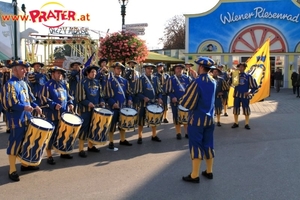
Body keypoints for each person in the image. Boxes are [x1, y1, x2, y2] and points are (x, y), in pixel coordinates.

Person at [1, 60, 42, 182]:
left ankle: (25, 164)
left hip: (27, 118)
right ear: (15, 70)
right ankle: (12, 169)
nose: (25, 71)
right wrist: (24, 107)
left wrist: (36, 106)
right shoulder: (9, 84)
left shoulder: (24, 83)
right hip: (16, 120)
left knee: (26, 141)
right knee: (15, 143)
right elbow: (9, 104)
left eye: (26, 68)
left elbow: (31, 99)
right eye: (22, 68)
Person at [180, 57, 216, 184]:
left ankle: (195, 175)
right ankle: (209, 171)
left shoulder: (196, 82)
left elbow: (187, 102)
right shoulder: (213, 81)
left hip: (197, 119)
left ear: (200, 67)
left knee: (196, 146)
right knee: (209, 144)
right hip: (210, 119)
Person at [40, 66, 74, 165]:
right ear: (52, 74)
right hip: (52, 115)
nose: (60, 75)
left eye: (61, 73)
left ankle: (63, 152)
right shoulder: (47, 85)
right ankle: (49, 155)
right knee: (51, 136)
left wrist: (70, 103)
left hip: (63, 114)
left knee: (63, 134)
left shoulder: (64, 84)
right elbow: (43, 99)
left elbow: (69, 96)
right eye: (58, 73)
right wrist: (54, 105)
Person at [76, 65, 105, 157]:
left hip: (96, 109)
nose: (94, 73)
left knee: (93, 127)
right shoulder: (82, 83)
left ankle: (90, 146)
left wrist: (102, 102)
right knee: (84, 128)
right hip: (85, 110)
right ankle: (81, 149)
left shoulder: (97, 82)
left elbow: (101, 95)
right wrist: (88, 103)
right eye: (92, 72)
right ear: (88, 73)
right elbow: (80, 98)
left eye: (95, 72)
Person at [104, 62, 133, 150]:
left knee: (122, 124)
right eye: (117, 68)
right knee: (112, 125)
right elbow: (107, 96)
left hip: (123, 106)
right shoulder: (110, 81)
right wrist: (113, 103)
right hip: (113, 107)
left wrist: (130, 99)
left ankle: (122, 140)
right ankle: (111, 142)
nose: (119, 70)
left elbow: (129, 93)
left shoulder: (125, 81)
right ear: (114, 69)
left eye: (120, 69)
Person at [135, 63, 163, 144]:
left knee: (153, 119)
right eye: (148, 68)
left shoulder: (155, 79)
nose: (150, 70)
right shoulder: (140, 79)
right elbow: (137, 92)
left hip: (153, 103)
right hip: (143, 103)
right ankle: (140, 137)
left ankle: (154, 135)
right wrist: (143, 97)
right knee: (141, 120)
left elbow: (159, 91)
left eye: (151, 68)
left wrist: (160, 98)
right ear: (145, 69)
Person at [166, 64, 191, 139]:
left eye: (181, 68)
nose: (179, 70)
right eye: (177, 68)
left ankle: (187, 133)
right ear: (174, 70)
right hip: (175, 102)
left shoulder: (188, 78)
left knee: (186, 117)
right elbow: (168, 90)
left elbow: (192, 89)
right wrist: (172, 97)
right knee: (176, 117)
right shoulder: (171, 79)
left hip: (186, 101)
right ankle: (178, 133)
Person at [230, 62, 258, 130]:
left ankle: (246, 123)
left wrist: (250, 92)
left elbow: (255, 86)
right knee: (236, 108)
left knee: (246, 109)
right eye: (239, 67)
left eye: (242, 67)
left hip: (245, 96)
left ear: (245, 68)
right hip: (237, 95)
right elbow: (230, 84)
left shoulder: (248, 76)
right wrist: (231, 76)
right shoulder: (236, 75)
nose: (241, 68)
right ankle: (236, 123)